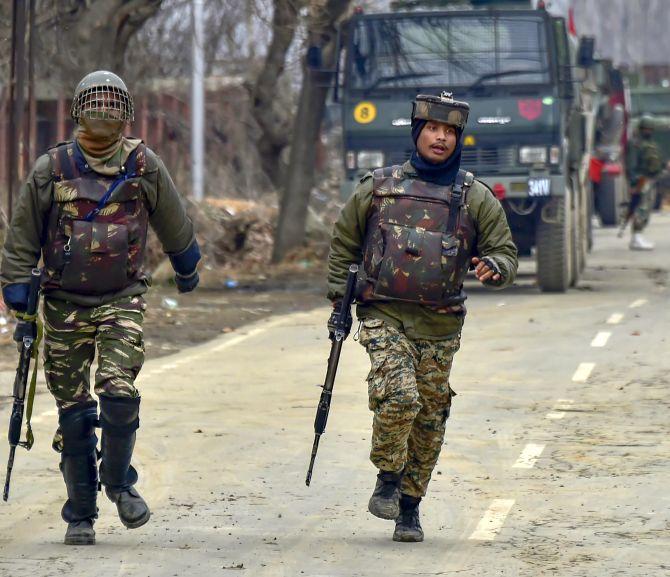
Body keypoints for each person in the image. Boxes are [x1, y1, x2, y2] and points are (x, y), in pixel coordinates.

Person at [0, 71, 201, 546]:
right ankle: (81, 515)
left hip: (121, 299)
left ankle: (119, 483)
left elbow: (173, 219)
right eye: (97, 103)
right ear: (78, 110)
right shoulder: (52, 169)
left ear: (126, 113)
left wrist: (187, 265)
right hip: (63, 304)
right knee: (72, 412)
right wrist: (18, 298)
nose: (105, 112)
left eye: (113, 104)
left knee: (118, 391)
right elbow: (23, 237)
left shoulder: (144, 165)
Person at [327, 92, 518, 542]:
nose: (441, 138)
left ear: (458, 139)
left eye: (450, 132)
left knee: (431, 419)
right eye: (433, 129)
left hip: (440, 326)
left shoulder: (474, 197)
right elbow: (344, 246)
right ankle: (388, 476)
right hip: (383, 315)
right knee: (400, 397)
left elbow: (503, 251)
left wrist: (498, 269)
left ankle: (409, 508)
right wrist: (340, 302)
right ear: (418, 133)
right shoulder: (378, 186)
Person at [626, 114, 663, 250]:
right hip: (641, 180)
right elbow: (631, 164)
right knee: (641, 208)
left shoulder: (650, 143)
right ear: (641, 128)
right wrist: (635, 182)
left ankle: (638, 236)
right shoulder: (635, 143)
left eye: (650, 128)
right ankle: (636, 237)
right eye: (646, 128)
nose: (648, 131)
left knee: (647, 208)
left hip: (650, 179)